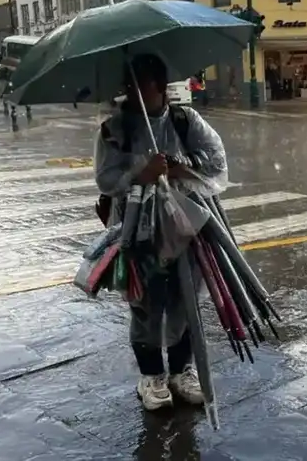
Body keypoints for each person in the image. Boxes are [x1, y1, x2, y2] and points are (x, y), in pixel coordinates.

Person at [94, 53, 228, 412]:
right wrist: (141, 173)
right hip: (137, 230)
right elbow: (106, 179)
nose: (139, 93)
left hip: (185, 225)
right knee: (144, 303)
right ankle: (151, 375)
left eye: (147, 85)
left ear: (160, 87)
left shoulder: (186, 121)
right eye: (133, 85)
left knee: (185, 298)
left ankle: (182, 371)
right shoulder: (114, 130)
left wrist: (185, 166)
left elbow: (215, 160)